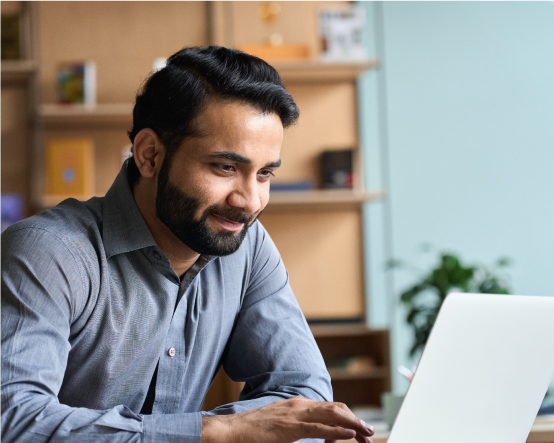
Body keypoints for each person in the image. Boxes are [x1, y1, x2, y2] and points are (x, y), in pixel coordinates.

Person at [0, 46, 374, 443]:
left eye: (264, 174)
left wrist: (221, 431)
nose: (249, 201)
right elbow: (13, 420)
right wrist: (213, 432)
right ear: (149, 156)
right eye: (225, 167)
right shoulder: (46, 252)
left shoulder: (246, 248)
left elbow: (305, 395)